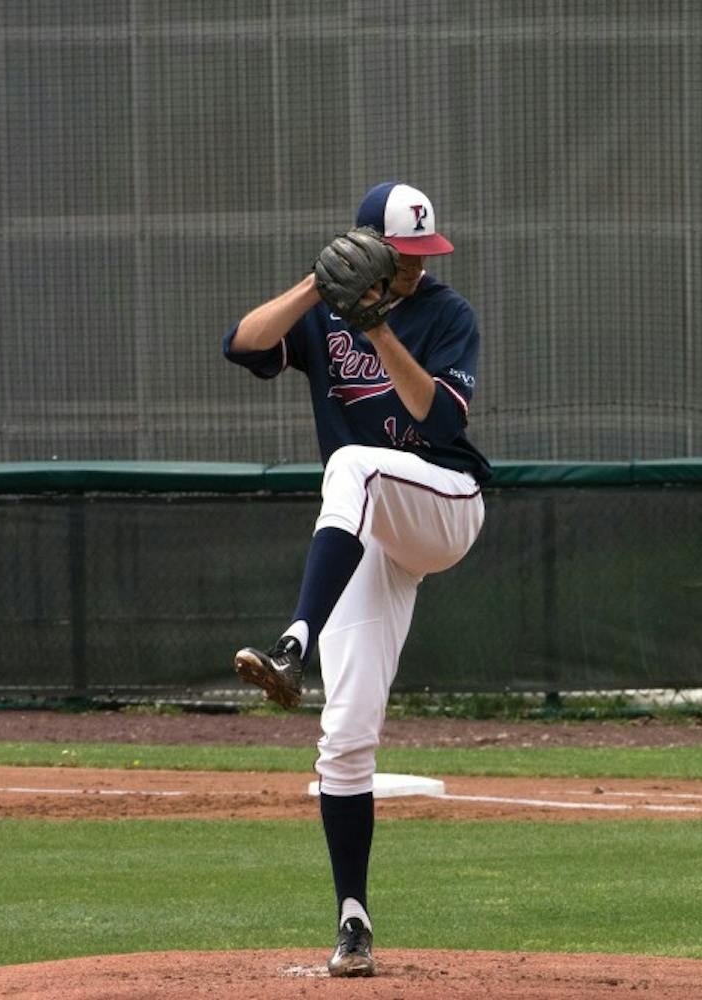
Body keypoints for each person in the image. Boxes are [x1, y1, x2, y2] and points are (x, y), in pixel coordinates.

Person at [222, 181, 490, 976]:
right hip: (370, 529)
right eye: (400, 254)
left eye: (422, 254)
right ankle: (354, 921)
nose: (414, 267)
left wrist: (376, 327)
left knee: (351, 465)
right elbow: (241, 344)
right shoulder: (324, 311)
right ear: (365, 247)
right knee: (343, 737)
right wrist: (317, 283)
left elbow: (440, 420)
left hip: (443, 503)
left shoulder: (447, 314)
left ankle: (293, 641)